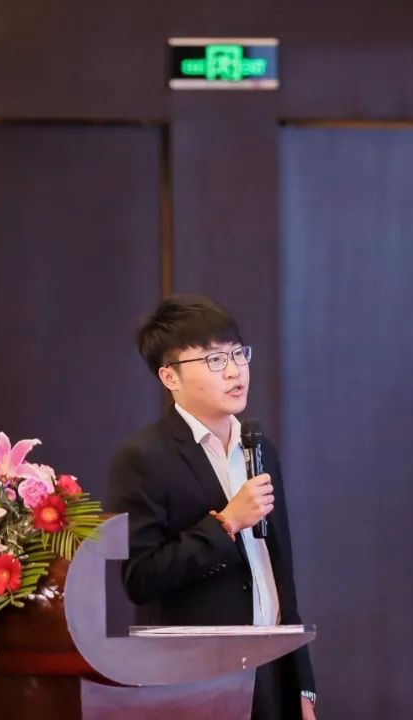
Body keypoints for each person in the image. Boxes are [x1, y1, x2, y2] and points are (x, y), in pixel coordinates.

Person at [105, 294, 317, 720]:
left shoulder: (259, 448)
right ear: (170, 376)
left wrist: (303, 687)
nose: (235, 370)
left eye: (238, 354)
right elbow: (140, 578)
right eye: (214, 360)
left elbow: (279, 577)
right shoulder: (143, 458)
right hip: (195, 680)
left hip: (271, 670)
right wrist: (226, 524)